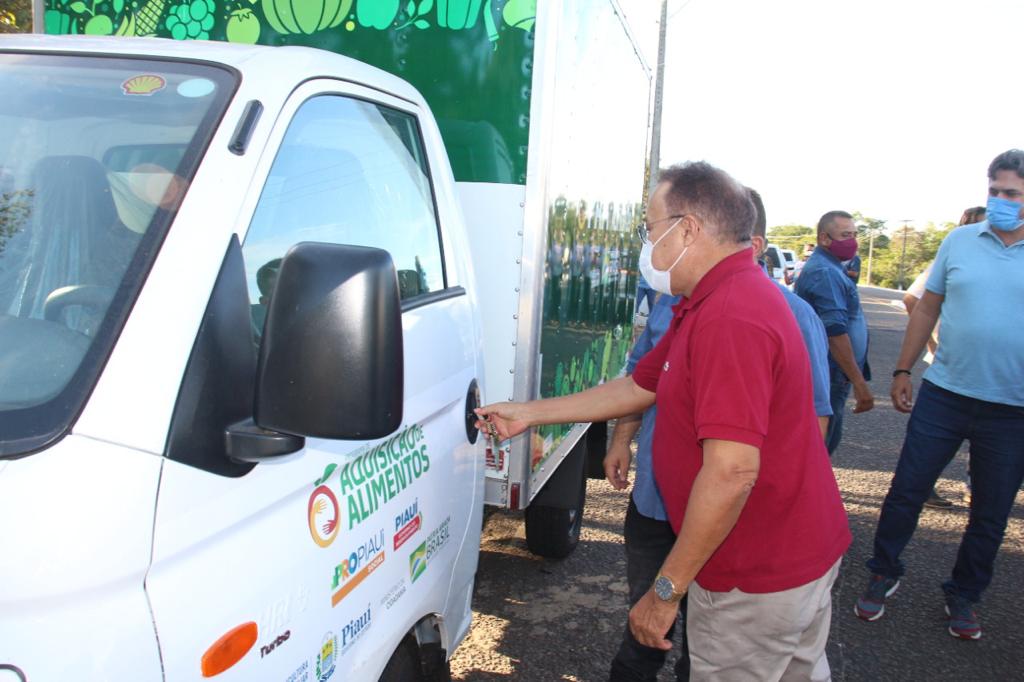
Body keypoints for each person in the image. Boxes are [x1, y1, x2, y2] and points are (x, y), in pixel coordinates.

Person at [478, 162, 850, 680]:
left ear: (688, 229)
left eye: (650, 228)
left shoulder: (731, 315)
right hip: (787, 558)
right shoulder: (708, 299)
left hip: (754, 576)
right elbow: (638, 385)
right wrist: (528, 414)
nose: (646, 243)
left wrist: (666, 591)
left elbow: (732, 472)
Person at [854, 150, 1024, 640]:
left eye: (1012, 193)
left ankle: (965, 594)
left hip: (1012, 410)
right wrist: (903, 369)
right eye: (994, 191)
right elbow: (927, 307)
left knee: (990, 513)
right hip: (946, 393)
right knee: (907, 489)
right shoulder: (960, 241)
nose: (1000, 200)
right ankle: (883, 570)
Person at [902, 205, 985, 509]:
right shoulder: (953, 254)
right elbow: (913, 299)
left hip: (990, 370)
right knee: (936, 436)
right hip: (950, 367)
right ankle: (923, 486)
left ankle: (976, 486)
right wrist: (933, 340)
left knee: (986, 435)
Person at [795, 211, 874, 455]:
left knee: (826, 439)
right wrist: (859, 382)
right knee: (821, 444)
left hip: (833, 372)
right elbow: (835, 332)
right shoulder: (825, 273)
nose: (852, 241)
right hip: (829, 372)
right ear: (824, 238)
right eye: (845, 235)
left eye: (854, 235)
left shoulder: (833, 268)